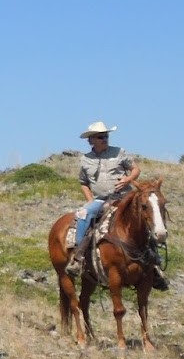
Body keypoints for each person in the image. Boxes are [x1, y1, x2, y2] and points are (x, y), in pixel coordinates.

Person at [66, 121, 168, 289]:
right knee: (83, 214)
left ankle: (154, 262)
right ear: (91, 140)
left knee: (143, 219)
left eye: (106, 136)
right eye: (100, 136)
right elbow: (83, 182)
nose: (104, 139)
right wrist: (90, 199)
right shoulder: (85, 160)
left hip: (124, 197)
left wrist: (128, 179)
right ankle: (78, 258)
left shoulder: (119, 152)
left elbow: (136, 169)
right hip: (100, 199)